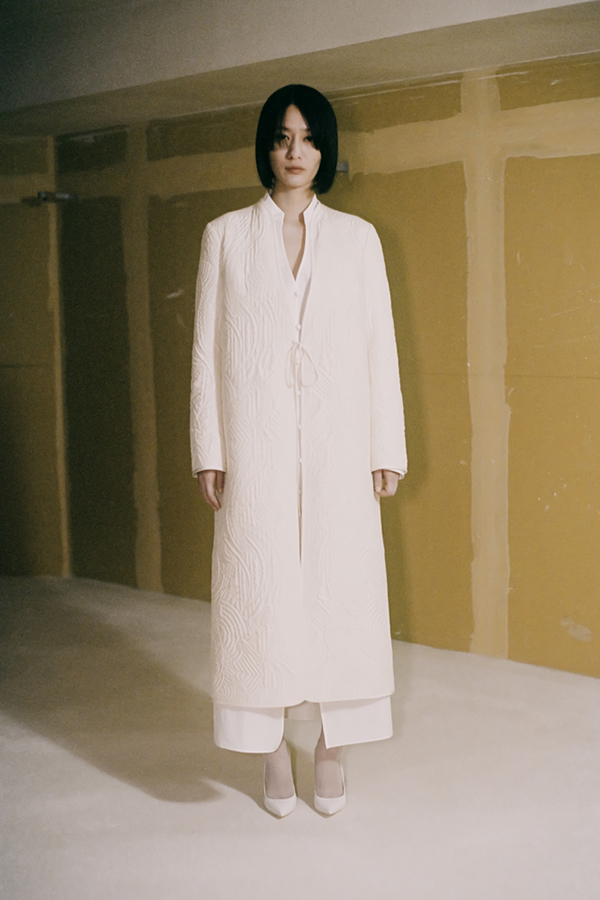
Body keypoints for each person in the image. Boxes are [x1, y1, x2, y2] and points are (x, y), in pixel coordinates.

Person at [191, 84, 407, 817]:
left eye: (309, 138)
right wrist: (209, 448)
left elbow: (380, 346)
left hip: (340, 442)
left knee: (344, 593)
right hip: (255, 444)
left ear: (325, 150)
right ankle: (270, 751)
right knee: (259, 595)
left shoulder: (358, 238)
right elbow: (205, 350)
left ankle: (332, 749)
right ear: (266, 145)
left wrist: (385, 445)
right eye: (283, 137)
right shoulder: (225, 236)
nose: (295, 151)